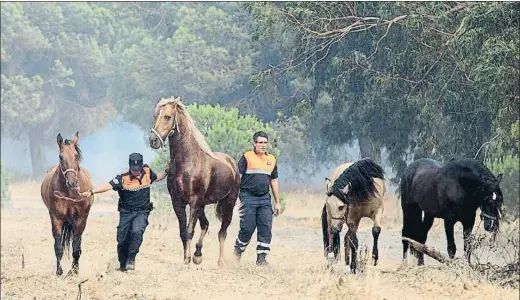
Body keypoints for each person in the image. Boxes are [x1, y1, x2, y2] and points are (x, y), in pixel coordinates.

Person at [80, 153, 167, 271]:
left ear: (141, 166)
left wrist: (167, 171)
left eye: (138, 169)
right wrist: (92, 192)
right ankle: (122, 265)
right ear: (130, 166)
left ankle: (131, 258)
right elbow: (108, 186)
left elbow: (157, 177)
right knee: (122, 240)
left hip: (142, 211)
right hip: (126, 213)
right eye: (133, 169)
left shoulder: (147, 171)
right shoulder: (122, 178)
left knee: (137, 231)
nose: (136, 171)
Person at [233, 131, 281, 266]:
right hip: (247, 197)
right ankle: (237, 252)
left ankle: (262, 259)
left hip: (265, 199)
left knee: (265, 228)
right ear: (254, 143)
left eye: (265, 142)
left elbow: (274, 181)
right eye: (260, 142)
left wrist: (277, 202)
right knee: (247, 228)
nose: (263, 145)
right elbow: (238, 179)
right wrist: (235, 198)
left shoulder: (271, 160)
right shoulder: (246, 157)